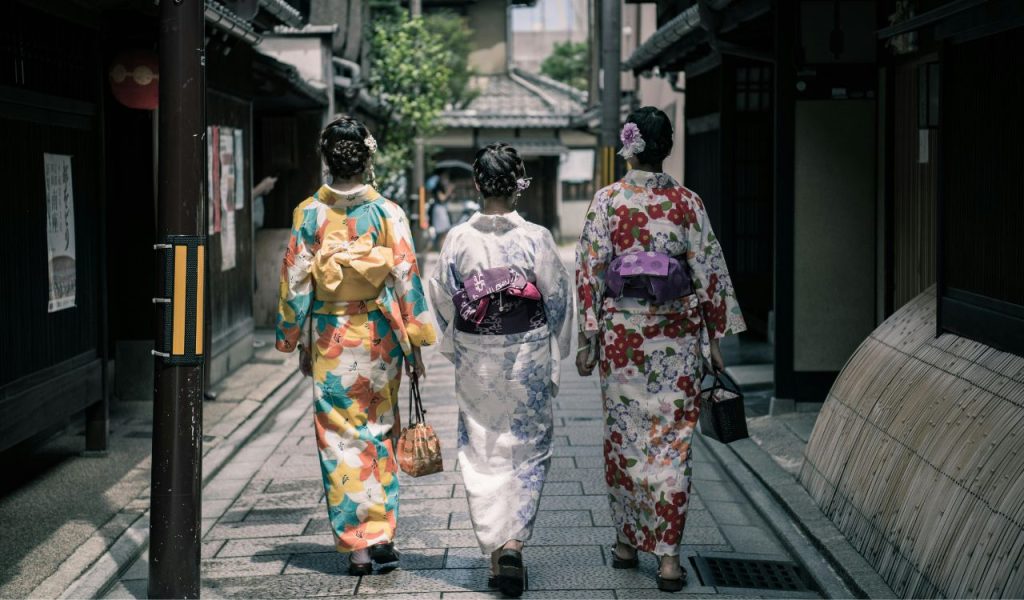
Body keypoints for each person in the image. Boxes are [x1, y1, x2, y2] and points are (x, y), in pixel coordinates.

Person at [575, 107, 746, 592]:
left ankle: (627, 542)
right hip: (677, 338)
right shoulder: (687, 203)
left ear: (627, 146)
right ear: (666, 147)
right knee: (672, 443)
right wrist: (714, 339)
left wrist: (588, 339)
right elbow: (709, 271)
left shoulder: (608, 201)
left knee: (625, 437)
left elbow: (590, 272)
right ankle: (668, 557)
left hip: (623, 339)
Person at [275, 115, 436, 576]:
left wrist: (293, 336)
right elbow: (406, 274)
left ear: (327, 159)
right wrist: (417, 339)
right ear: (367, 158)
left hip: (330, 333)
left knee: (339, 438)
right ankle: (382, 534)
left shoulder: (309, 213)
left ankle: (359, 548)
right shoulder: (388, 212)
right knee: (380, 428)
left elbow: (295, 281)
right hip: (381, 332)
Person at [428, 143, 573, 598]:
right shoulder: (536, 238)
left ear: (477, 185)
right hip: (526, 351)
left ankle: (496, 553)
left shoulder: (457, 239)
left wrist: (458, 335)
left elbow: (441, 296)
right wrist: (557, 343)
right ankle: (513, 543)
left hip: (476, 352)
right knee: (527, 448)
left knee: (482, 446)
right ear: (519, 184)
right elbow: (557, 299)